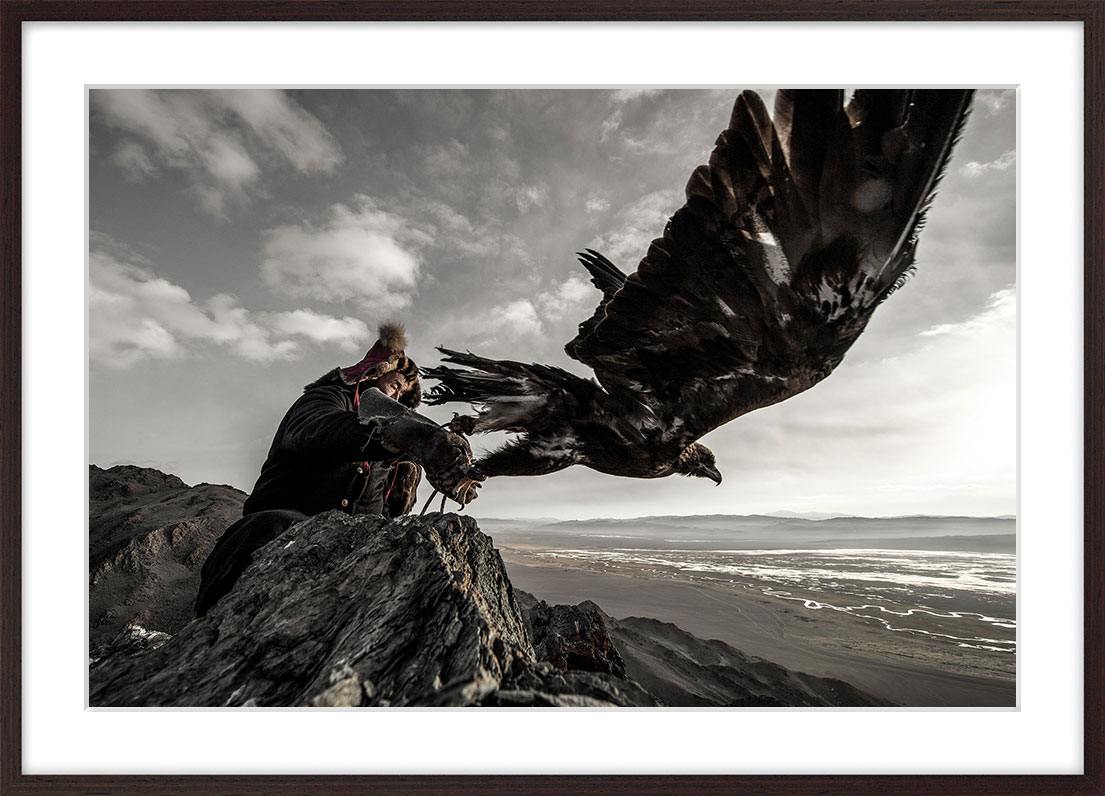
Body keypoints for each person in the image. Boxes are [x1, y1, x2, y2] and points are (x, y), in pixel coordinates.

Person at [194, 322, 480, 617]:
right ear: (373, 375)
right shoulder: (324, 400)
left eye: (402, 395)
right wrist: (405, 435)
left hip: (350, 549)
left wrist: (430, 459)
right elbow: (321, 431)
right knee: (273, 526)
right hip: (276, 530)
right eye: (395, 386)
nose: (396, 398)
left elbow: (382, 512)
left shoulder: (384, 455)